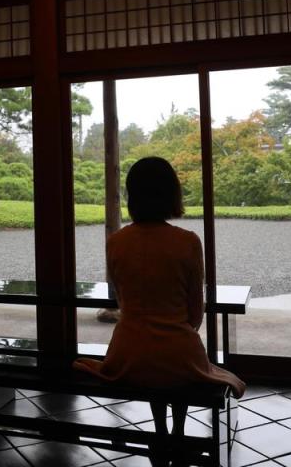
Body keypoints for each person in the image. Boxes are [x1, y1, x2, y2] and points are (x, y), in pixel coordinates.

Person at [73, 156, 245, 459]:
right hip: (178, 353)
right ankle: (177, 431)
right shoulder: (187, 242)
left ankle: (161, 431)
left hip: (128, 353)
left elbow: (123, 302)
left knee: (150, 359)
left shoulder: (116, 241)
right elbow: (194, 313)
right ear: (171, 194)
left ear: (132, 196)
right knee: (173, 357)